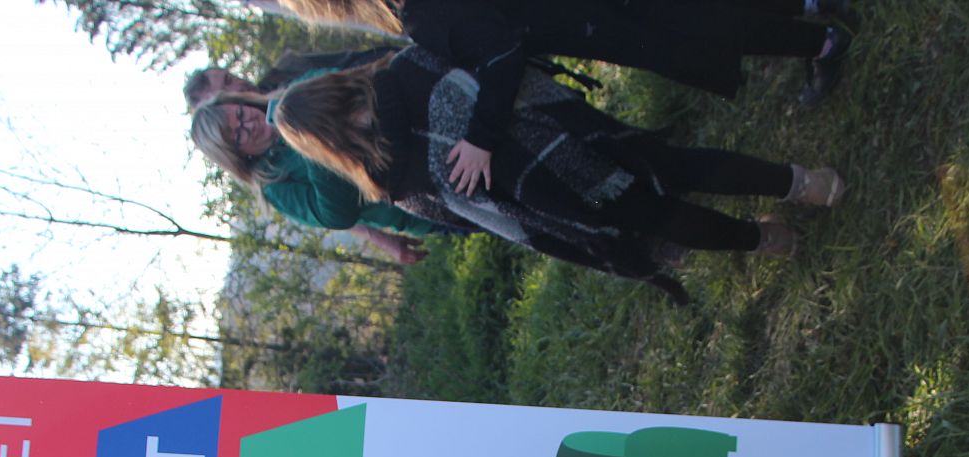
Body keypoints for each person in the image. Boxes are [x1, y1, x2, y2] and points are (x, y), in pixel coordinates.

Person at [264, 49, 843, 302]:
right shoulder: (408, 67)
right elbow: (498, 72)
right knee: (681, 166)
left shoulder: (395, 182)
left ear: (324, 146)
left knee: (661, 216)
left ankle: (768, 239)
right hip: (577, 137)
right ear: (329, 84)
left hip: (563, 201)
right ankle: (808, 184)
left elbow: (480, 218)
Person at [276, 0, 854, 131]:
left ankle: (822, 43)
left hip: (580, 19)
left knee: (694, 30)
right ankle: (810, 7)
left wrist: (480, 135)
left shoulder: (421, 15)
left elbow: (500, 52)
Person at [189, 79, 448, 265]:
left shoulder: (290, 96)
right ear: (236, 154)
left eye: (240, 114)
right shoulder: (275, 185)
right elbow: (337, 216)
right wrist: (307, 140)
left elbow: (346, 80)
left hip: (420, 124)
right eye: (238, 135)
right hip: (423, 200)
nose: (249, 124)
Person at [183, 49, 396, 110]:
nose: (238, 86)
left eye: (229, 78)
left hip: (390, 85)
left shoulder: (287, 66)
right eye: (225, 93)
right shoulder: (269, 151)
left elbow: (353, 60)